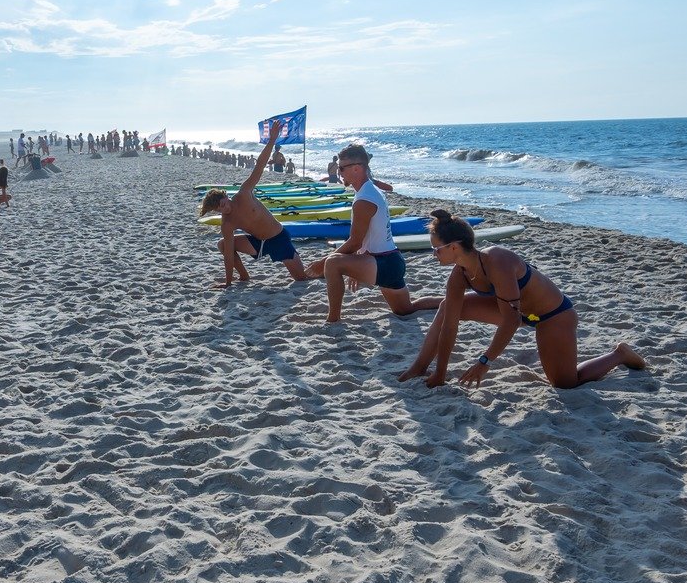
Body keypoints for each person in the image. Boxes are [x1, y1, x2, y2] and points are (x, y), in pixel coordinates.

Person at [397, 211, 646, 389]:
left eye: (436, 249)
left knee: (566, 383)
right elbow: (449, 325)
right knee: (447, 308)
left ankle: (619, 354)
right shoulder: (459, 275)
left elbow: (511, 320)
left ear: (454, 246)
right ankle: (420, 366)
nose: (433, 255)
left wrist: (484, 362)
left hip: (552, 315)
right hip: (520, 313)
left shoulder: (497, 260)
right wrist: (440, 374)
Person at [313, 146, 433, 323]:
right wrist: (356, 264)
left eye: (341, 168)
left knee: (332, 263)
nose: (339, 173)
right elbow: (369, 236)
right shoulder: (371, 190)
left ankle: (333, 320)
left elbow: (355, 242)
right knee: (406, 310)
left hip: (382, 263)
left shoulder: (364, 198)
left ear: (357, 168)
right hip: (391, 261)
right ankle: (455, 302)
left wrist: (322, 263)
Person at [202, 119, 310, 287]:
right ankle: (244, 276)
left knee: (301, 278)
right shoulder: (227, 223)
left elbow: (259, 166)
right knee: (223, 245)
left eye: (222, 203)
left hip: (278, 238)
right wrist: (228, 282)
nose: (223, 209)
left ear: (225, 196)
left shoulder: (244, 193)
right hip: (258, 243)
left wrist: (273, 140)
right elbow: (229, 254)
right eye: (219, 209)